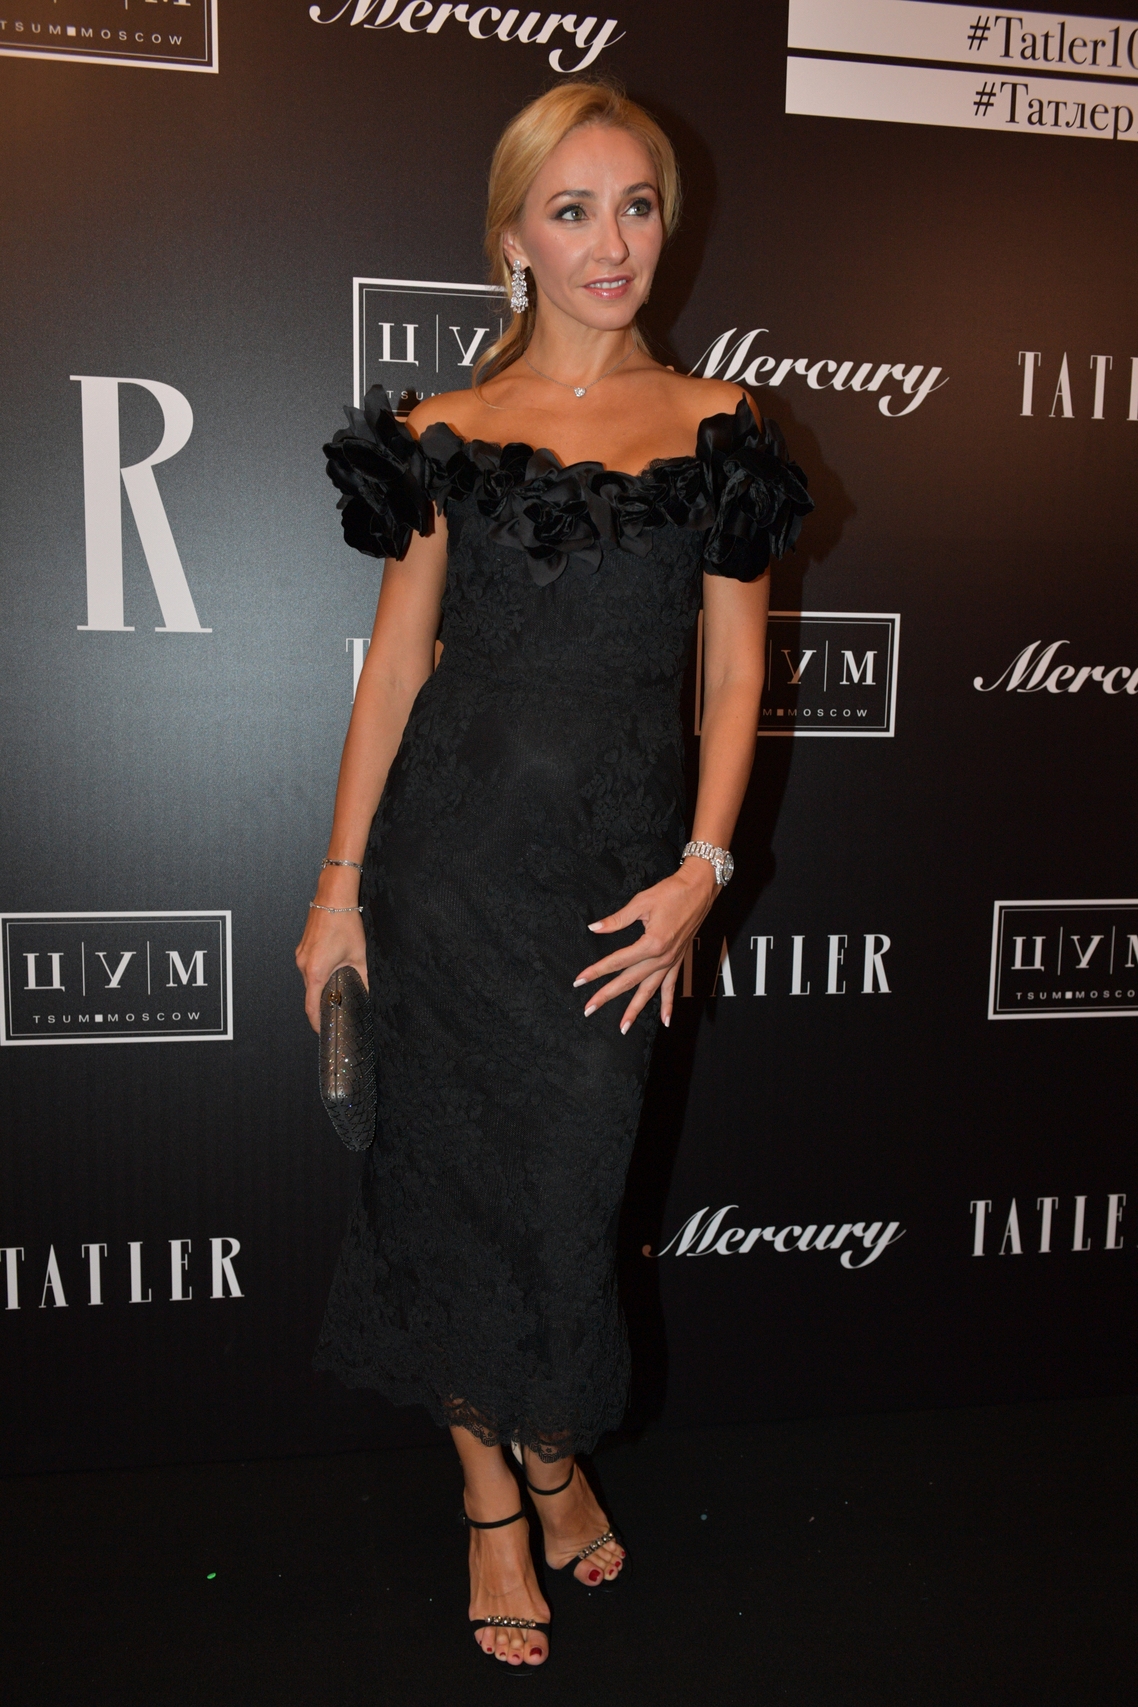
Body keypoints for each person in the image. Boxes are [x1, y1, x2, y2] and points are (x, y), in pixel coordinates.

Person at [295, 79, 812, 1669]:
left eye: (636, 205)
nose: (610, 241)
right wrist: (335, 891)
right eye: (572, 209)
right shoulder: (440, 438)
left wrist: (703, 868)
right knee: (441, 1191)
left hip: (608, 897)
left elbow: (737, 674)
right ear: (511, 237)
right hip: (442, 879)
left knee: (570, 1200)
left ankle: (548, 1441)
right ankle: (494, 1494)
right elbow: (396, 674)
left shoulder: (721, 429)